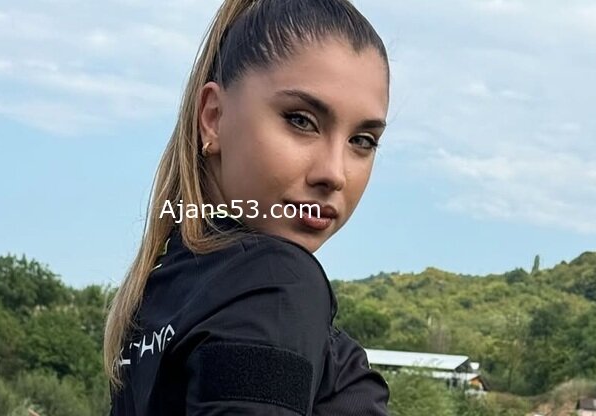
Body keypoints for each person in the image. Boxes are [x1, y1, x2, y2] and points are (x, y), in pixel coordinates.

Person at [104, 0, 391, 414]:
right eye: (301, 120)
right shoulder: (275, 282)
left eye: (362, 141)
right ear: (213, 117)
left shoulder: (163, 289)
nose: (334, 173)